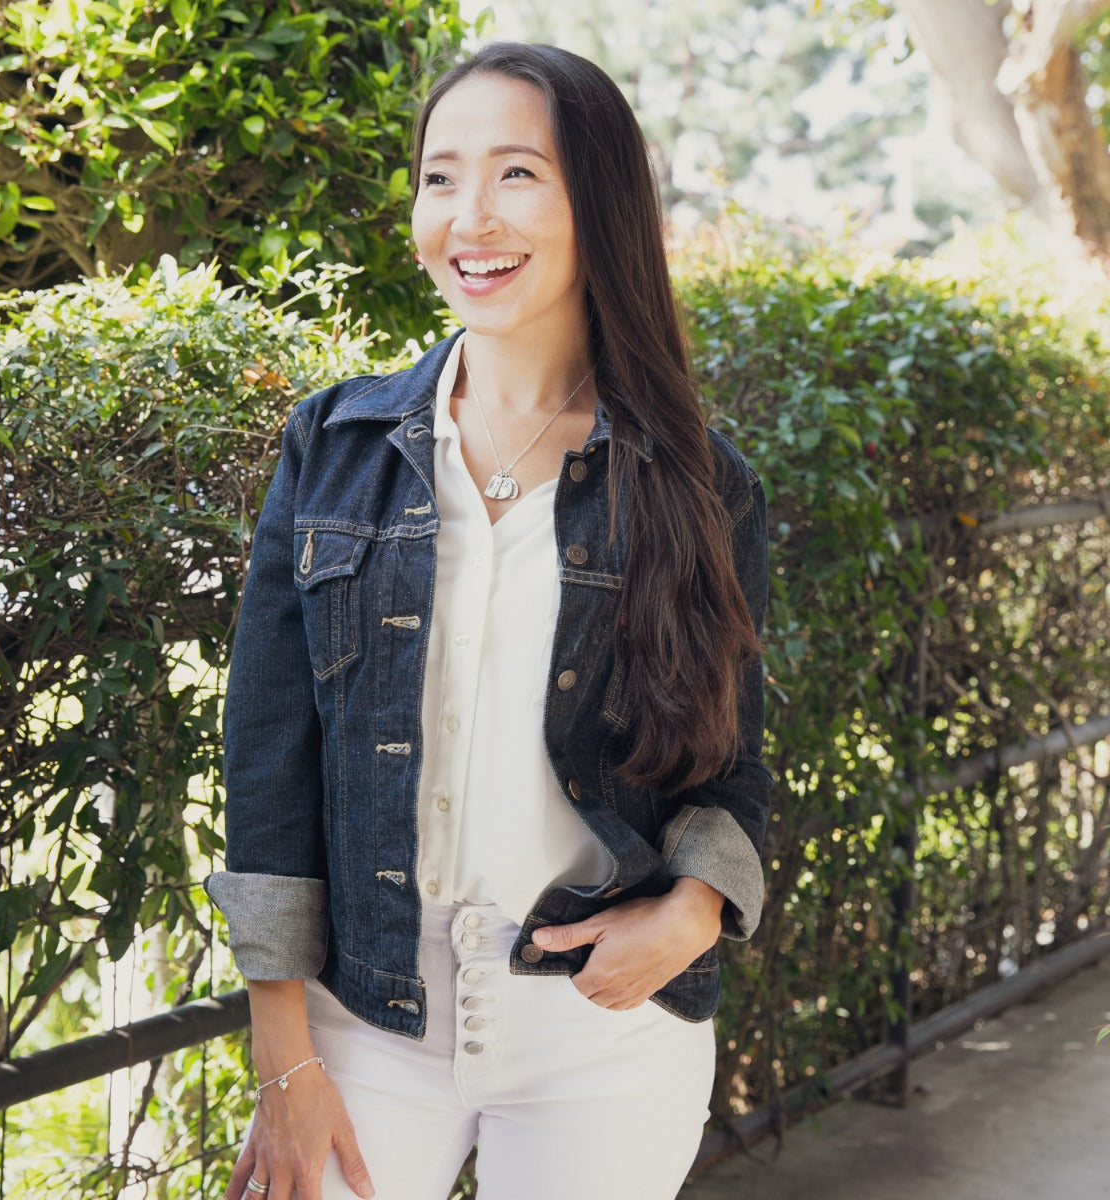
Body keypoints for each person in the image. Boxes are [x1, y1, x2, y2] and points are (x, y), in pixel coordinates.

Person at [206, 41, 771, 1200]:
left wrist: (696, 911)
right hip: (362, 1015)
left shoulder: (698, 482)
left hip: (600, 1028)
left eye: (518, 173)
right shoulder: (335, 450)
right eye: (439, 176)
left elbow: (732, 760)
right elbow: (267, 762)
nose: (469, 215)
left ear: (597, 203)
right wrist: (284, 1057)